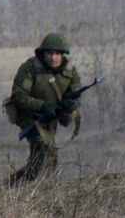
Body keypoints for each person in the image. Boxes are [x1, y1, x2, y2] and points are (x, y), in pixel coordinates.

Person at [5, 31, 81, 185]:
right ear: (43, 53)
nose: (53, 58)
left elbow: (74, 96)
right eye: (50, 53)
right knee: (47, 147)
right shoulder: (29, 68)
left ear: (63, 55)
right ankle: (46, 186)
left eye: (57, 54)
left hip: (50, 119)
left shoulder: (70, 72)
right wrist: (42, 106)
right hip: (29, 117)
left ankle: (11, 186)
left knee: (38, 162)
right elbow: (18, 96)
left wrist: (68, 107)